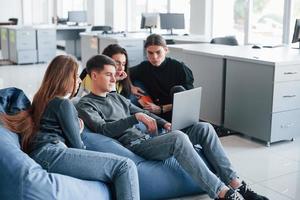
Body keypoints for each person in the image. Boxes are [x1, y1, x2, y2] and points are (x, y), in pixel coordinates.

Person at [76, 54, 268, 200]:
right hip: (134, 146)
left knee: (204, 128)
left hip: (149, 139)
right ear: (94, 75)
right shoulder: (86, 105)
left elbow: (145, 113)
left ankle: (237, 184)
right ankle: (222, 192)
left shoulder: (117, 97)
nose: (113, 79)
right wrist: (135, 118)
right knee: (178, 138)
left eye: (114, 75)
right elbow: (103, 129)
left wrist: (164, 123)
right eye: (108, 75)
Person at [0, 55, 140, 200]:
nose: (79, 80)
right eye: (76, 76)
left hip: (44, 153)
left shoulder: (42, 99)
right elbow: (77, 145)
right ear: (67, 78)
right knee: (125, 166)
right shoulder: (63, 104)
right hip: (53, 152)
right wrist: (78, 130)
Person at [130, 33, 194, 121]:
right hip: (152, 113)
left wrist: (161, 108)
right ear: (146, 52)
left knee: (178, 89)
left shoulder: (179, 68)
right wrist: (131, 87)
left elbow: (190, 100)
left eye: (158, 52)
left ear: (166, 50)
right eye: (150, 53)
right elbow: (125, 73)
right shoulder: (144, 67)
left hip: (173, 111)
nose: (154, 57)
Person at [77, 44, 143, 98]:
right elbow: (105, 101)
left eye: (123, 64)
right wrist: (114, 80)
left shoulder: (122, 78)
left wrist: (130, 86)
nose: (121, 68)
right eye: (117, 63)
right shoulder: (93, 75)